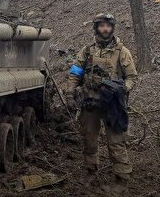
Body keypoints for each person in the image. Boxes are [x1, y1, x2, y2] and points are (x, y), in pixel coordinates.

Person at [65, 13, 138, 192]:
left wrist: (122, 88)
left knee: (116, 141)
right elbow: (75, 73)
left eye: (108, 26)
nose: (105, 29)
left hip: (112, 104)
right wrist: (70, 94)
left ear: (112, 28)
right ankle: (91, 171)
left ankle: (121, 179)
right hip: (91, 101)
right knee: (89, 138)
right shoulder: (87, 51)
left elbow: (131, 77)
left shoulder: (122, 51)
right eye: (102, 26)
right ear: (97, 28)